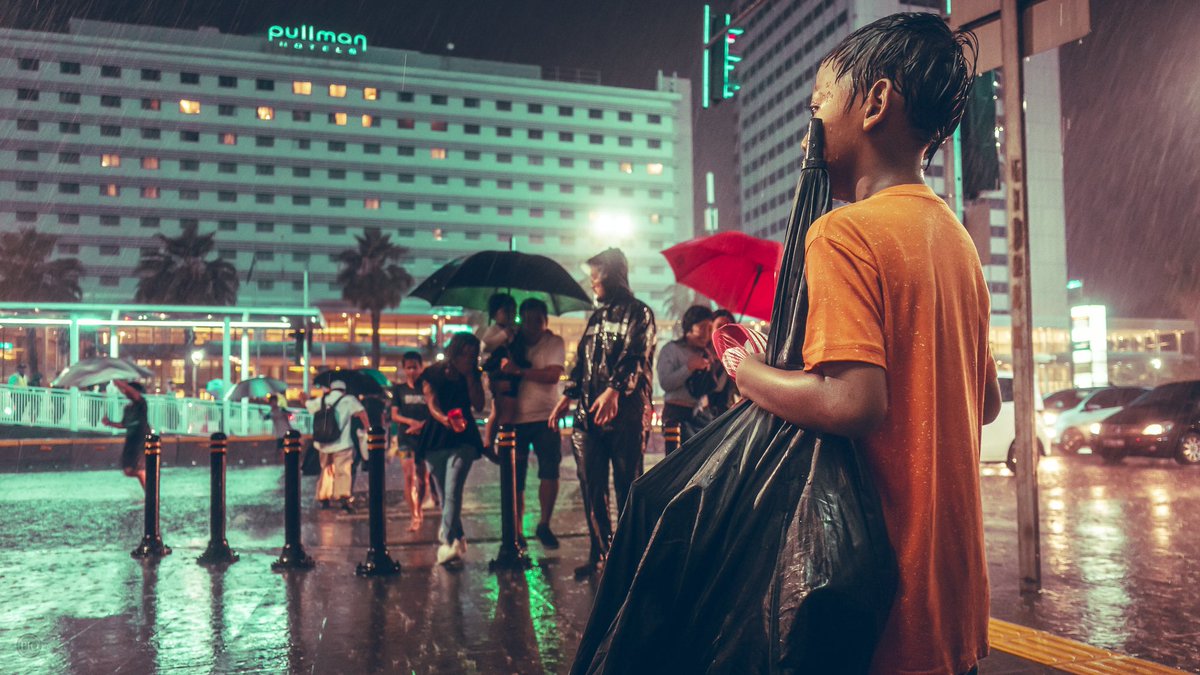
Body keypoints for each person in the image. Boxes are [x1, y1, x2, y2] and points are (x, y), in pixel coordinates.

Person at [731, 14, 999, 675]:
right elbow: (987, 401)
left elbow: (853, 402)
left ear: (875, 102)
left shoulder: (842, 233)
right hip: (956, 601)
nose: (810, 128)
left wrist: (749, 371)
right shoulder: (956, 241)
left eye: (818, 104)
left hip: (883, 603)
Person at [549, 248, 656, 578]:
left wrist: (615, 390)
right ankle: (602, 553)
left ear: (613, 274)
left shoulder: (640, 313)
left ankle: (630, 558)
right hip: (587, 415)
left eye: (597, 274)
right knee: (591, 486)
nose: (592, 281)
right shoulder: (595, 319)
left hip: (626, 414)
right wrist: (567, 396)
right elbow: (582, 362)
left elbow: (636, 356)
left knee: (628, 485)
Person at [502, 298, 566, 549]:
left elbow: (553, 375)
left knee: (550, 471)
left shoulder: (554, 342)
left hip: (546, 417)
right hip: (515, 419)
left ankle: (544, 524)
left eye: (538, 320)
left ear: (545, 321)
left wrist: (519, 371)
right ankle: (517, 531)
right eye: (527, 320)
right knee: (516, 477)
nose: (532, 326)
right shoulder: (511, 343)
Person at [419, 332, 485, 565]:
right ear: (455, 352)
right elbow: (431, 402)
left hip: (464, 437)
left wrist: (470, 378)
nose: (469, 358)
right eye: (465, 354)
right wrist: (444, 418)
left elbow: (479, 405)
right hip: (436, 438)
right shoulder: (434, 373)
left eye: (473, 354)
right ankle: (457, 535)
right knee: (445, 494)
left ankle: (447, 541)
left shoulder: (473, 374)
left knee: (453, 489)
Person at [656, 305, 724, 450]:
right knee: (678, 460)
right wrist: (688, 367)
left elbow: (712, 388)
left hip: (701, 416)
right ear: (689, 326)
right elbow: (666, 383)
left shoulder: (706, 353)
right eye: (702, 327)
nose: (706, 334)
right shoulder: (671, 349)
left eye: (710, 328)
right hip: (676, 415)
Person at [305, 380, 369, 513]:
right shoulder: (349, 400)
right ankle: (343, 499)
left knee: (326, 470)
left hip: (323, 443)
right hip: (342, 443)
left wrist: (303, 398)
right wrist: (368, 429)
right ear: (344, 390)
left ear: (331, 389)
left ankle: (324, 498)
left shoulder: (322, 400)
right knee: (343, 471)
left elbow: (308, 405)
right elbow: (362, 413)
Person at [391, 350, 432, 531]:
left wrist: (421, 425)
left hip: (424, 438)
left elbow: (433, 410)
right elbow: (394, 415)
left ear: (421, 368)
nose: (412, 371)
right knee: (408, 476)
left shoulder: (427, 387)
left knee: (423, 478)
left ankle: (420, 506)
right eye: (408, 368)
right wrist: (411, 422)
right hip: (405, 438)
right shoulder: (399, 390)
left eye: (415, 367)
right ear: (403, 369)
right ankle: (414, 514)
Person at [480, 293, 520, 449]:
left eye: (513, 311)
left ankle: (498, 442)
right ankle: (489, 442)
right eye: (505, 311)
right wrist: (504, 335)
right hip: (499, 374)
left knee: (503, 409)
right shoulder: (494, 329)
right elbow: (486, 345)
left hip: (511, 373)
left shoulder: (514, 330)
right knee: (498, 409)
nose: (510, 314)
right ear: (495, 313)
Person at [102, 380, 148, 488]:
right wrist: (109, 423)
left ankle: (149, 491)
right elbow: (124, 424)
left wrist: (118, 381)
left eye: (128, 391)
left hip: (141, 438)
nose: (125, 392)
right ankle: (147, 483)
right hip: (131, 439)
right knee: (128, 470)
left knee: (138, 468)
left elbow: (133, 393)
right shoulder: (127, 408)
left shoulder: (141, 403)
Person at [706, 309, 741, 416]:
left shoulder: (733, 356)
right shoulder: (701, 354)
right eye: (719, 326)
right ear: (710, 329)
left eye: (727, 327)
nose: (723, 330)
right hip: (701, 415)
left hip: (723, 414)